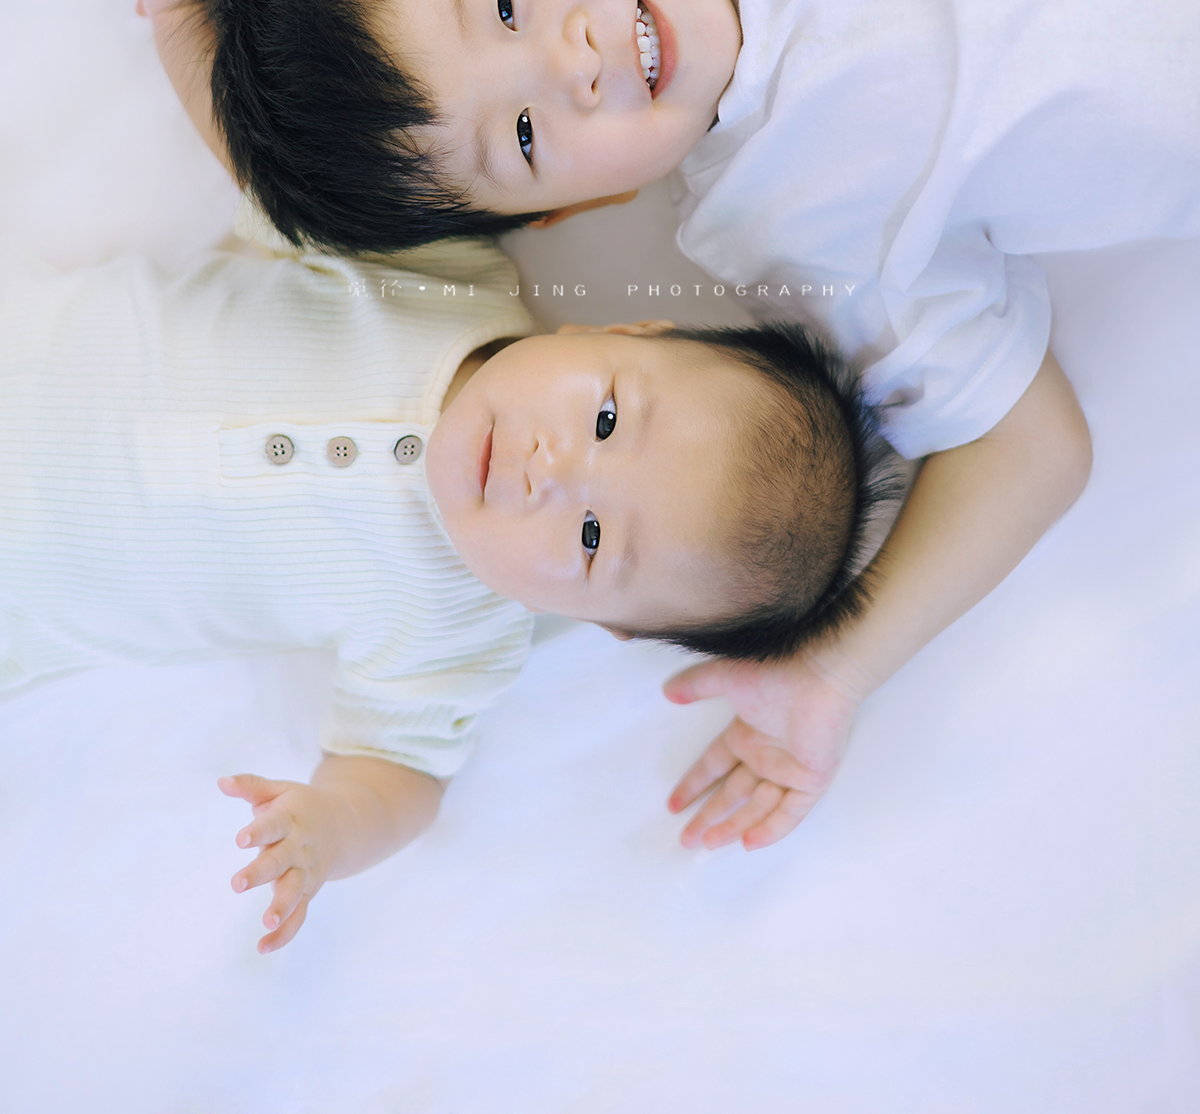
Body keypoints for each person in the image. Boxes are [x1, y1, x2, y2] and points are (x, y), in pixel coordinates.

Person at [120, 0, 1200, 846]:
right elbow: (1031, 448)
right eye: (524, 135)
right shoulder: (793, 219)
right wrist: (835, 670)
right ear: (571, 210)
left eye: (506, 0)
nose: (568, 63)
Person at [1, 195, 884, 953]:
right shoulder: (436, 270)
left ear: (604, 623)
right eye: (608, 419)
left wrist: (330, 829)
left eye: (589, 537)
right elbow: (305, 161)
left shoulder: (458, 630)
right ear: (618, 331)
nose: (549, 468)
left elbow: (397, 769)